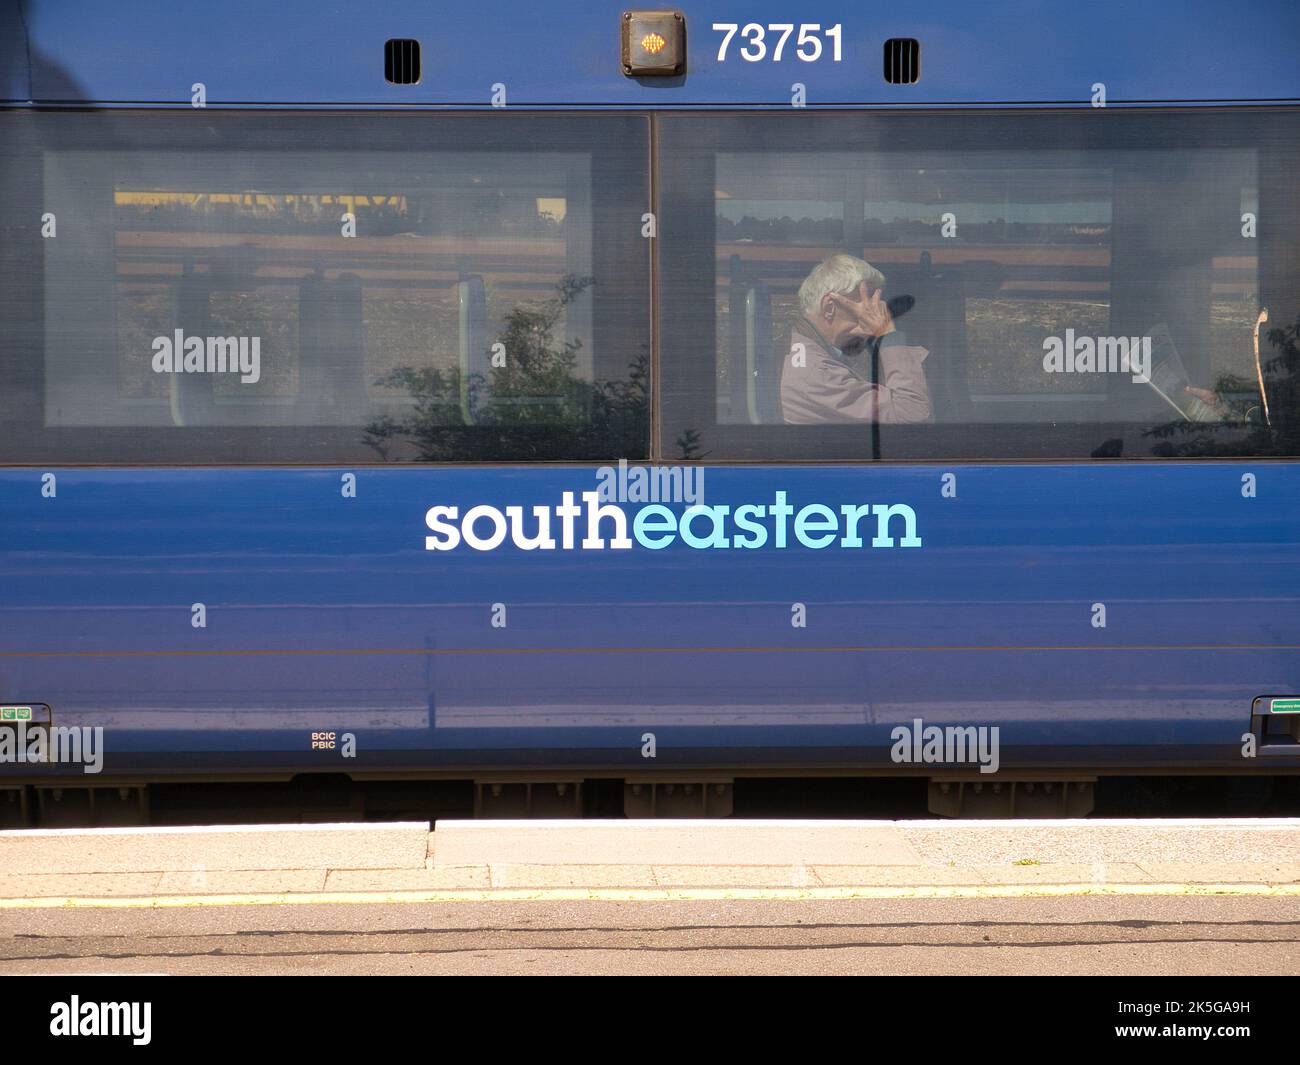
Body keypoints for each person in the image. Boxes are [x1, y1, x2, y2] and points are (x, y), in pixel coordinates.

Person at [781, 254, 932, 424]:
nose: (875, 314)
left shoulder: (805, 346)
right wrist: (888, 335)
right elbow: (912, 413)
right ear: (829, 307)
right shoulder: (819, 373)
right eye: (866, 307)